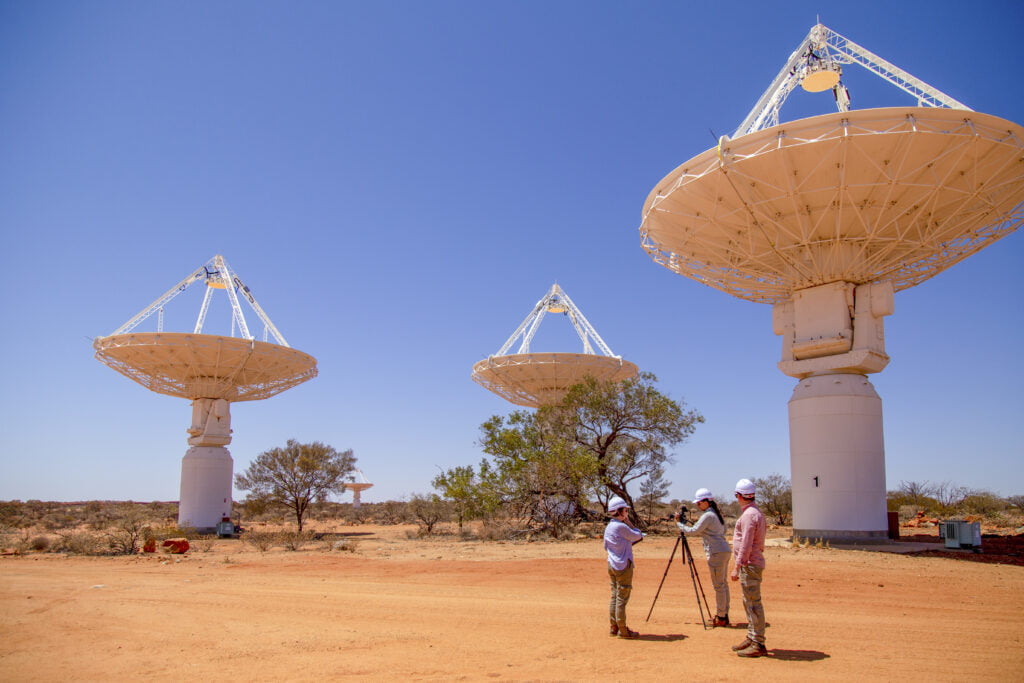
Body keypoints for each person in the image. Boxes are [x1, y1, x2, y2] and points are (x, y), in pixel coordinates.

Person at [675, 487, 731, 627]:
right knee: (723, 584)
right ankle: (723, 614)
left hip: (716, 552)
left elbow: (693, 531)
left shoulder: (708, 515)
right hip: (724, 550)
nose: (698, 505)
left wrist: (678, 523)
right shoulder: (716, 514)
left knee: (719, 586)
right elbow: (723, 530)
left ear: (707, 502)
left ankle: (721, 617)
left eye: (699, 503)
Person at [730, 478, 768, 658]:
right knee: (749, 602)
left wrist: (737, 566)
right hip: (752, 563)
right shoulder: (756, 513)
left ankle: (758, 642)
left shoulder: (748, 515)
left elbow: (746, 543)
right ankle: (752, 637)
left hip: (749, 564)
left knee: (752, 603)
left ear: (739, 495)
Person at [603, 495, 644, 639]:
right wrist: (628, 522)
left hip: (612, 564)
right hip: (623, 565)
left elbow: (605, 546)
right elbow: (638, 535)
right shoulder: (621, 526)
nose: (627, 513)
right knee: (622, 598)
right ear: (619, 511)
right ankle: (623, 629)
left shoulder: (609, 527)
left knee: (615, 596)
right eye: (625, 510)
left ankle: (613, 627)